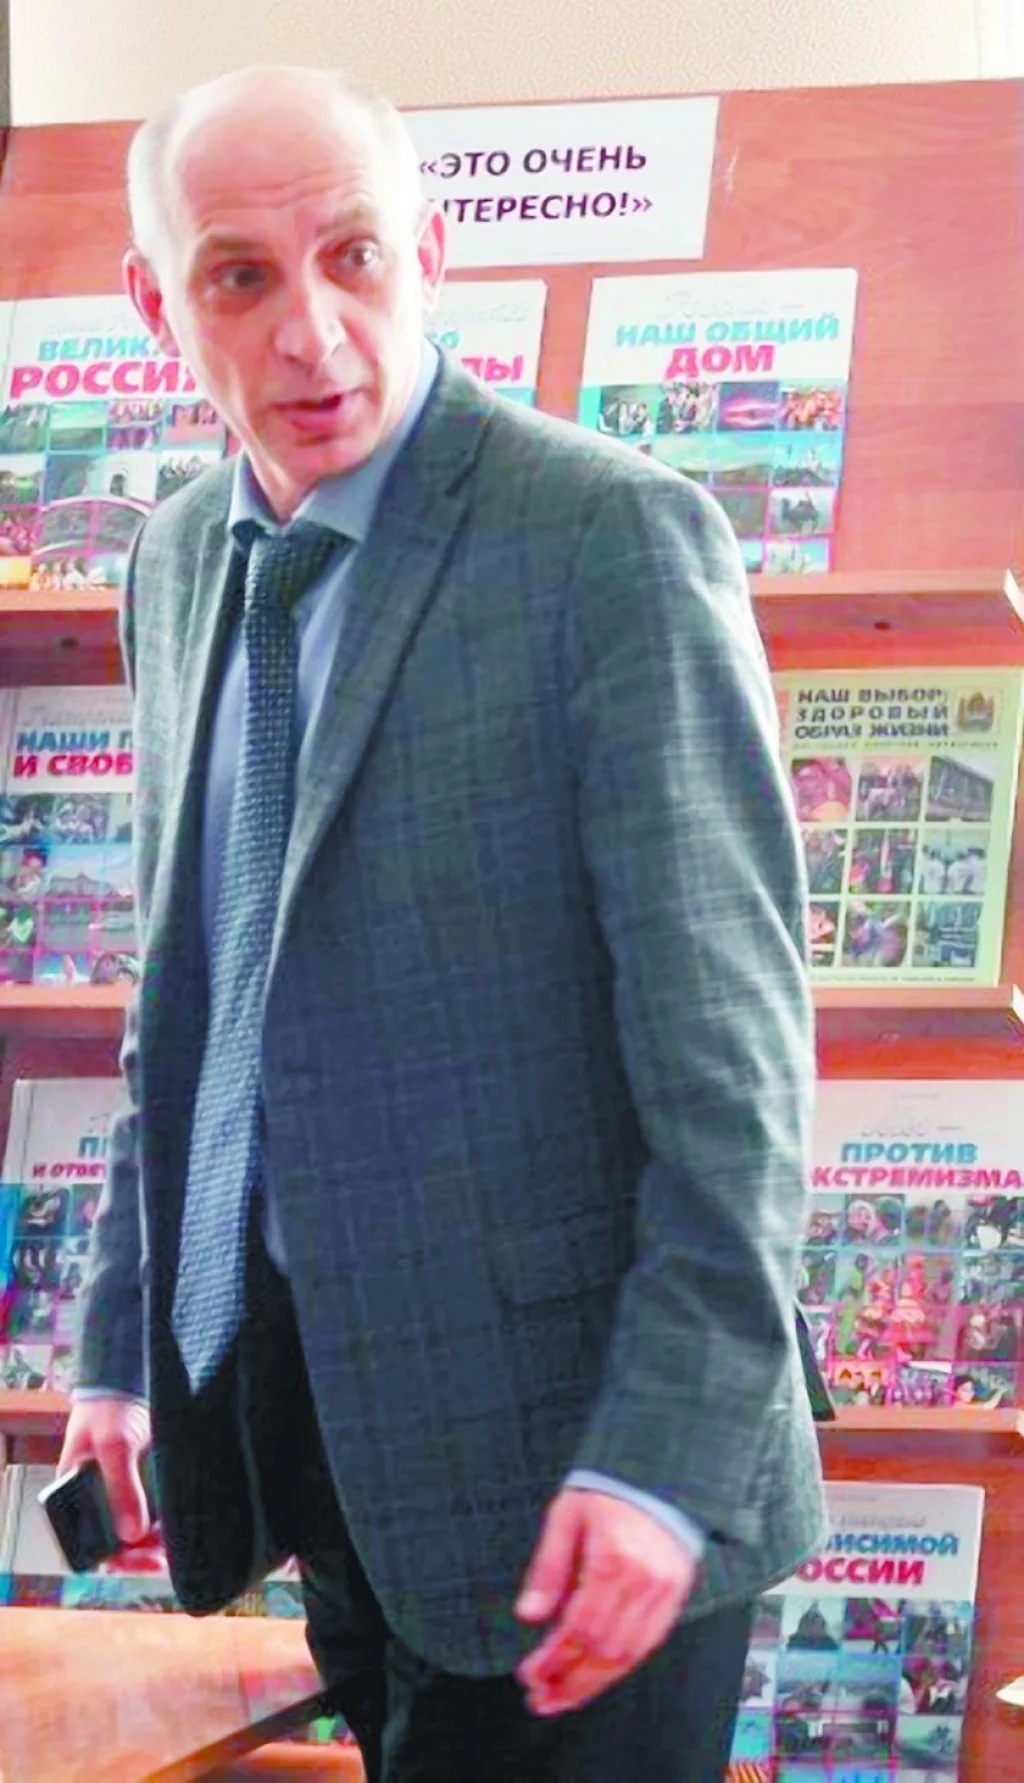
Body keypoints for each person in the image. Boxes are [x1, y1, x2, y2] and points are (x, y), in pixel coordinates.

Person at [59, 64, 826, 1783]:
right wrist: (121, 1343)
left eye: (353, 255)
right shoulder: (174, 562)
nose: (312, 332)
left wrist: (660, 1462)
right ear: (158, 307)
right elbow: (192, 1004)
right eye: (239, 276)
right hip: (325, 1452)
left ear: (430, 250)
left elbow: (740, 1082)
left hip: (591, 1486)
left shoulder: (611, 540)